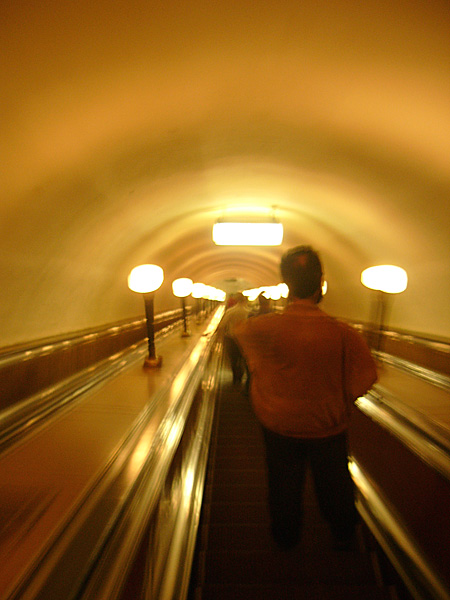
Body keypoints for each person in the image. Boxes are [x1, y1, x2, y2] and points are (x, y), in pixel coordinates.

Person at [234, 246, 377, 550]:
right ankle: (343, 533)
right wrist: (341, 398)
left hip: (279, 424)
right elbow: (367, 376)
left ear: (286, 283)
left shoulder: (261, 328)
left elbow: (243, 340)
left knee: (283, 485)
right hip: (328, 426)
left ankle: (285, 536)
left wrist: (267, 385)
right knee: (334, 484)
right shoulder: (343, 333)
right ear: (320, 282)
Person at [218, 293, 249, 385]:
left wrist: (220, 338)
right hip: (244, 339)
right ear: (244, 301)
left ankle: (235, 378)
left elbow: (222, 325)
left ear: (236, 301)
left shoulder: (230, 311)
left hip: (232, 338)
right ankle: (242, 375)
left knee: (233, 359)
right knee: (243, 358)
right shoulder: (249, 312)